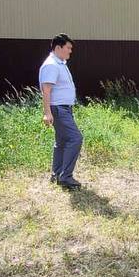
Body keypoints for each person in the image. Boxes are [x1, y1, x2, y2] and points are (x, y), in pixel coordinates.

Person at [40, 33, 84, 189]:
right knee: (75, 138)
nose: (70, 51)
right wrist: (47, 113)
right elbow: (46, 90)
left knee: (62, 142)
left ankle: (57, 173)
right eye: (68, 48)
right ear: (58, 47)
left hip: (63, 108)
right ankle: (65, 176)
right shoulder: (51, 65)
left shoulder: (59, 63)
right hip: (58, 109)